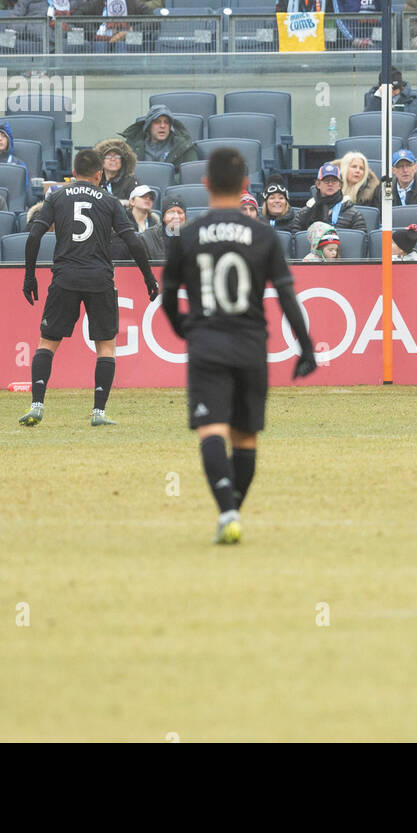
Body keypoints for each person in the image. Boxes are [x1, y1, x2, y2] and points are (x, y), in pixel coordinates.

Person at [161, 146, 316, 545]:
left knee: (211, 428)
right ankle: (232, 511)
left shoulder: (187, 236)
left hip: (207, 344)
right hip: (251, 345)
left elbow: (167, 296)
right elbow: (286, 296)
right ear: (246, 185)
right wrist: (306, 346)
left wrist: (186, 330)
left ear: (206, 184)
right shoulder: (263, 234)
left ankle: (227, 511)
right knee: (245, 437)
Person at [18, 147, 157, 429]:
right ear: (98, 174)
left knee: (48, 342)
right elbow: (134, 241)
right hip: (99, 279)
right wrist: (149, 278)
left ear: (73, 174)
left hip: (65, 277)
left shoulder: (56, 196)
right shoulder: (109, 201)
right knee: (105, 346)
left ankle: (37, 405)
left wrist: (29, 276)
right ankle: (98, 412)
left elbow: (33, 236)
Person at [294, 162, 369, 232]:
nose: (330, 184)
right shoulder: (304, 213)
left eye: (334, 181)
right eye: (326, 181)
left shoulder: (354, 214)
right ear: (318, 184)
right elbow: (296, 241)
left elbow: (361, 242)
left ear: (340, 185)